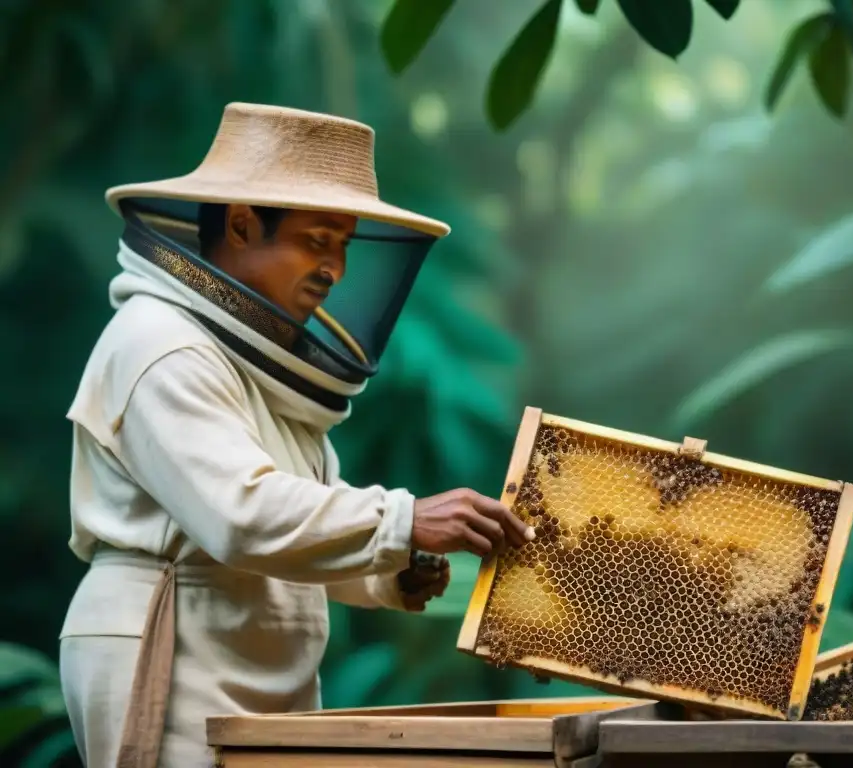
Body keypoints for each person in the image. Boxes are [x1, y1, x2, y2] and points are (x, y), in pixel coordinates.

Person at [58, 102, 533, 768]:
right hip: (170, 644)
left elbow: (300, 520)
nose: (335, 267)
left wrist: (392, 573)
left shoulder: (252, 363)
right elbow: (243, 518)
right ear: (244, 225)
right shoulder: (163, 346)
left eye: (343, 243)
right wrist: (405, 520)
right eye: (317, 240)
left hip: (246, 649)